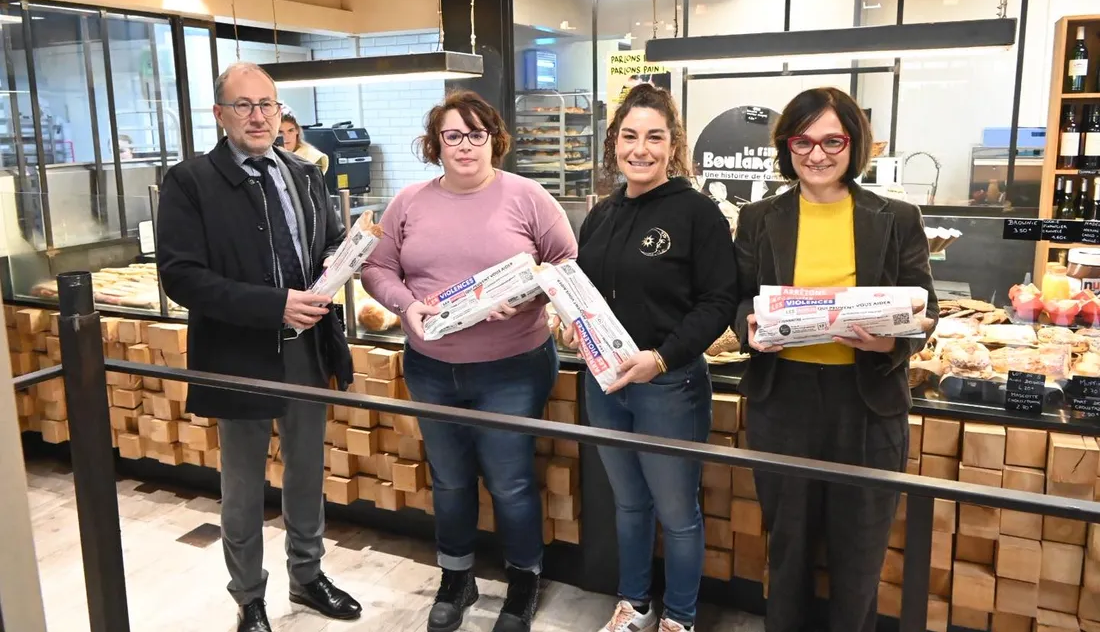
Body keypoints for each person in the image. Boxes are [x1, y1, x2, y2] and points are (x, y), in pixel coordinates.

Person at [361, 90, 577, 632]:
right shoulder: (408, 201)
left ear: (494, 140)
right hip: (431, 366)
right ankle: (456, 576)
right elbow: (377, 269)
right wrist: (406, 306)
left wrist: (531, 297)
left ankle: (523, 581)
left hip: (512, 366)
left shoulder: (528, 198)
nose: (465, 146)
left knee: (510, 481)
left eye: (476, 134)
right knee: (451, 479)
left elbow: (566, 262)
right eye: (453, 135)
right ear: (436, 144)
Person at [157, 61, 360, 632]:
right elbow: (181, 277)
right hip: (238, 356)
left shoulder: (303, 173)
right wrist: (274, 306)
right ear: (220, 115)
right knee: (243, 487)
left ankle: (308, 574)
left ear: (280, 112)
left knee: (305, 475)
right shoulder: (190, 181)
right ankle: (249, 598)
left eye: (267, 104)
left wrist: (347, 252)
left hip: (307, 349)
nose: (257, 116)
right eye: (243, 105)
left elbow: (324, 244)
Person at [733, 87, 937, 632]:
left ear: (854, 144)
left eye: (832, 141)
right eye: (803, 141)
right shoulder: (759, 217)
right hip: (784, 399)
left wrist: (893, 342)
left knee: (859, 553)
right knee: (790, 546)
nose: (816, 154)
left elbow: (926, 307)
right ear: (787, 146)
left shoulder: (894, 216)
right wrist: (748, 327)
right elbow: (737, 297)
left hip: (866, 403)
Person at [563, 84, 738, 632]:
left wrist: (661, 359)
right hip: (605, 382)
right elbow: (587, 293)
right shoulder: (601, 214)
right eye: (629, 136)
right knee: (629, 505)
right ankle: (634, 605)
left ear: (672, 144)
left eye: (654, 137)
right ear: (614, 141)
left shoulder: (697, 212)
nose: (640, 149)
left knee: (677, 513)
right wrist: (572, 326)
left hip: (669, 387)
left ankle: (679, 618)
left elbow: (718, 303)